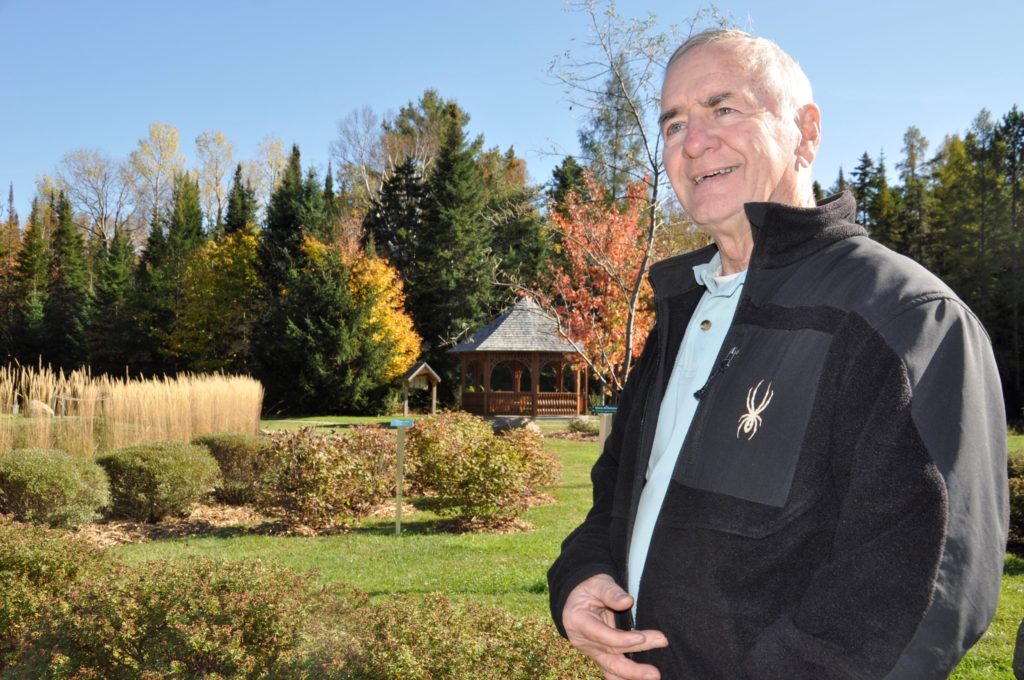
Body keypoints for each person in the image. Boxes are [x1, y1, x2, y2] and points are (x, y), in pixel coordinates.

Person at [547, 28, 1008, 680]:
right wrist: (582, 574)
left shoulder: (906, 320)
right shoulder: (683, 311)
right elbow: (617, 494)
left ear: (806, 131)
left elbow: (919, 591)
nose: (693, 141)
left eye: (723, 109)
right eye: (674, 123)